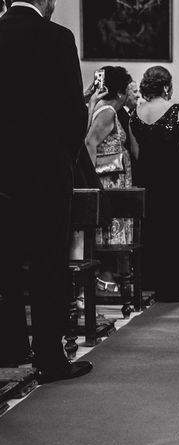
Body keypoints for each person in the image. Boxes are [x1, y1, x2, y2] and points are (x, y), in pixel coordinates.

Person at [0, 0, 93, 381]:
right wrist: (64, 160)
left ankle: (9, 348)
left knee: (4, 262)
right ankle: (49, 358)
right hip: (45, 172)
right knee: (47, 263)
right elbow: (73, 110)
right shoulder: (56, 37)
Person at [130, 66, 179, 302]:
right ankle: (174, 288)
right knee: (174, 232)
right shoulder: (178, 111)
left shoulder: (136, 113)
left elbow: (136, 151)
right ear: (167, 86)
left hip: (147, 181)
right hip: (173, 181)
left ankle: (150, 283)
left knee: (152, 231)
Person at [84, 66, 135, 293]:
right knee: (107, 232)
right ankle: (104, 278)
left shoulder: (111, 111)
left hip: (115, 181)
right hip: (107, 181)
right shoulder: (107, 112)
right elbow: (90, 143)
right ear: (121, 92)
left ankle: (110, 275)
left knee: (113, 232)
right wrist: (91, 180)